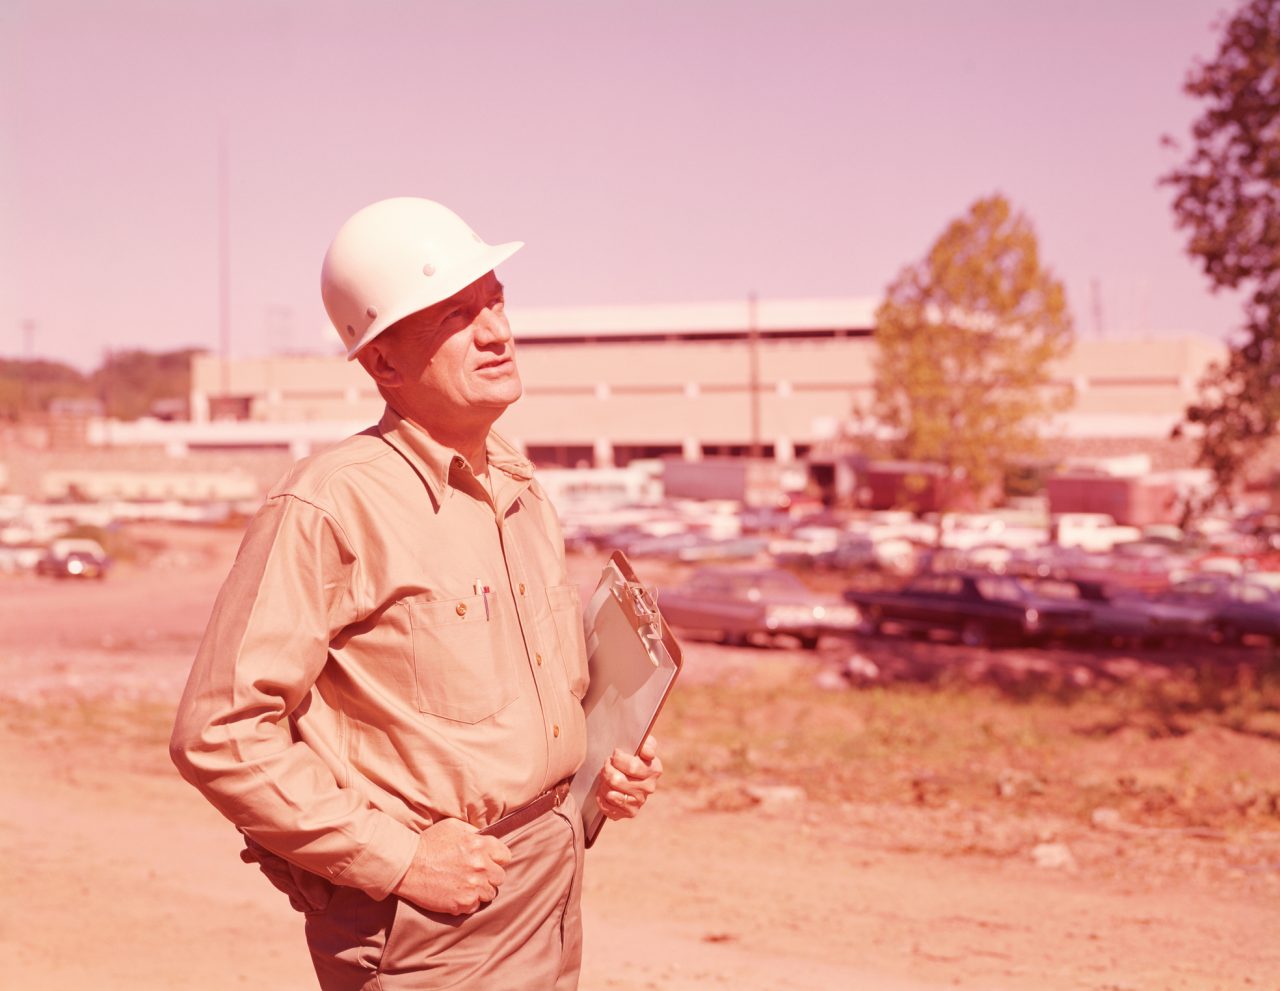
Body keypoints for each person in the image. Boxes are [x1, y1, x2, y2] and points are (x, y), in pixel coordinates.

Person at [170, 196, 662, 990]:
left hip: (552, 878)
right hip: (430, 926)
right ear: (383, 365)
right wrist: (398, 858)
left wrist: (597, 767)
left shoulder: (520, 485)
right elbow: (220, 734)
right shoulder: (330, 503)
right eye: (456, 315)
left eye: (496, 301)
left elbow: (527, 694)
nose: (498, 331)